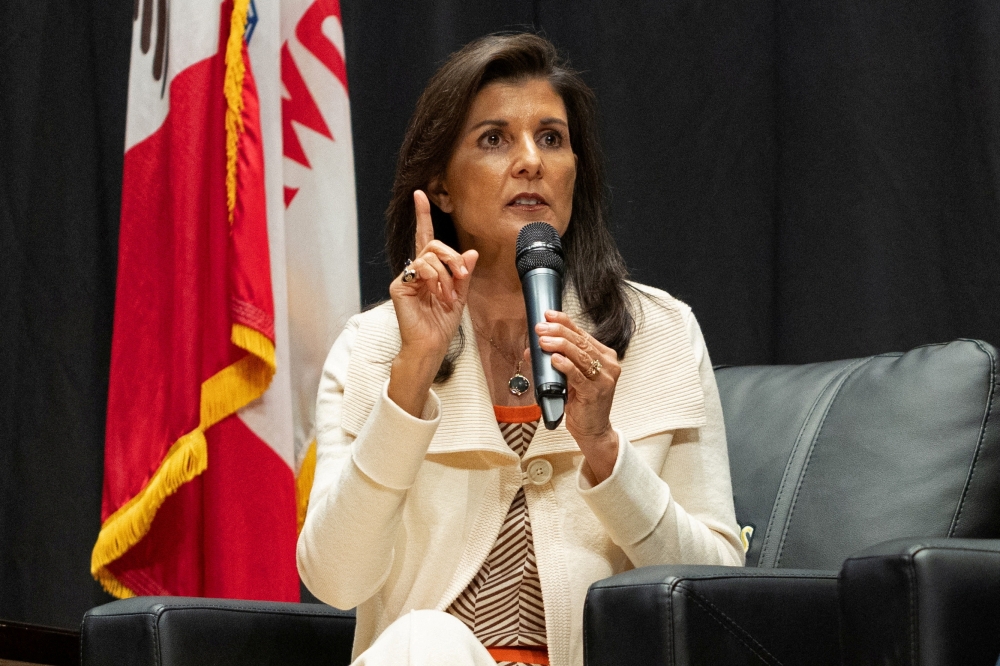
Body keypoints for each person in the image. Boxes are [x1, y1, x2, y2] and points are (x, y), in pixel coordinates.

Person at [297, 33, 744, 666]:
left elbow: (718, 589)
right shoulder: (372, 349)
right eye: (494, 138)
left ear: (574, 171)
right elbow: (334, 580)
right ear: (442, 188)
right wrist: (412, 376)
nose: (531, 161)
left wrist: (604, 450)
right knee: (430, 643)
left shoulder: (660, 332)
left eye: (552, 138)